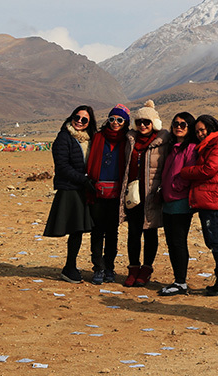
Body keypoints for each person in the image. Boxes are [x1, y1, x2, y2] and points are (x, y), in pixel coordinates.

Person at [179, 114, 218, 296]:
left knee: (216, 241)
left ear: (211, 128)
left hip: (215, 200)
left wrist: (185, 172)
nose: (199, 134)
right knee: (212, 240)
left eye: (202, 130)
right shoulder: (209, 146)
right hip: (210, 199)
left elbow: (209, 169)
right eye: (197, 131)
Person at [43, 105, 97, 283]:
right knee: (75, 228)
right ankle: (69, 267)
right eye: (77, 117)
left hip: (83, 189)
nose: (79, 122)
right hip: (70, 189)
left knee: (78, 230)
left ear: (89, 123)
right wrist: (84, 180)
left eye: (84, 119)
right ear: (71, 117)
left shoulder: (90, 139)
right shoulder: (63, 138)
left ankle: (71, 266)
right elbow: (62, 167)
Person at [120, 100, 170, 287]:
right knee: (133, 233)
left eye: (146, 122)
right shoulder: (130, 140)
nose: (143, 125)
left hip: (152, 195)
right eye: (139, 121)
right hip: (133, 194)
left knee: (150, 232)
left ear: (154, 123)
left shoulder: (163, 142)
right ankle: (133, 269)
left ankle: (146, 269)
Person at [86, 103, 130, 285]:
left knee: (112, 233)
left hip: (116, 194)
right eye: (112, 119)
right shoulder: (97, 138)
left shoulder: (128, 141)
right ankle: (98, 267)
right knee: (96, 232)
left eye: (120, 120)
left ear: (125, 122)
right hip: (97, 192)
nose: (115, 123)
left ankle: (109, 267)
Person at [157, 112, 199, 296]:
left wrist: (175, 187)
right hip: (168, 200)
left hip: (180, 201)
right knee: (172, 242)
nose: (179, 127)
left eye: (183, 124)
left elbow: (189, 172)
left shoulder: (190, 148)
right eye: (176, 124)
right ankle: (178, 279)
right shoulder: (173, 147)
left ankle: (180, 282)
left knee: (178, 242)